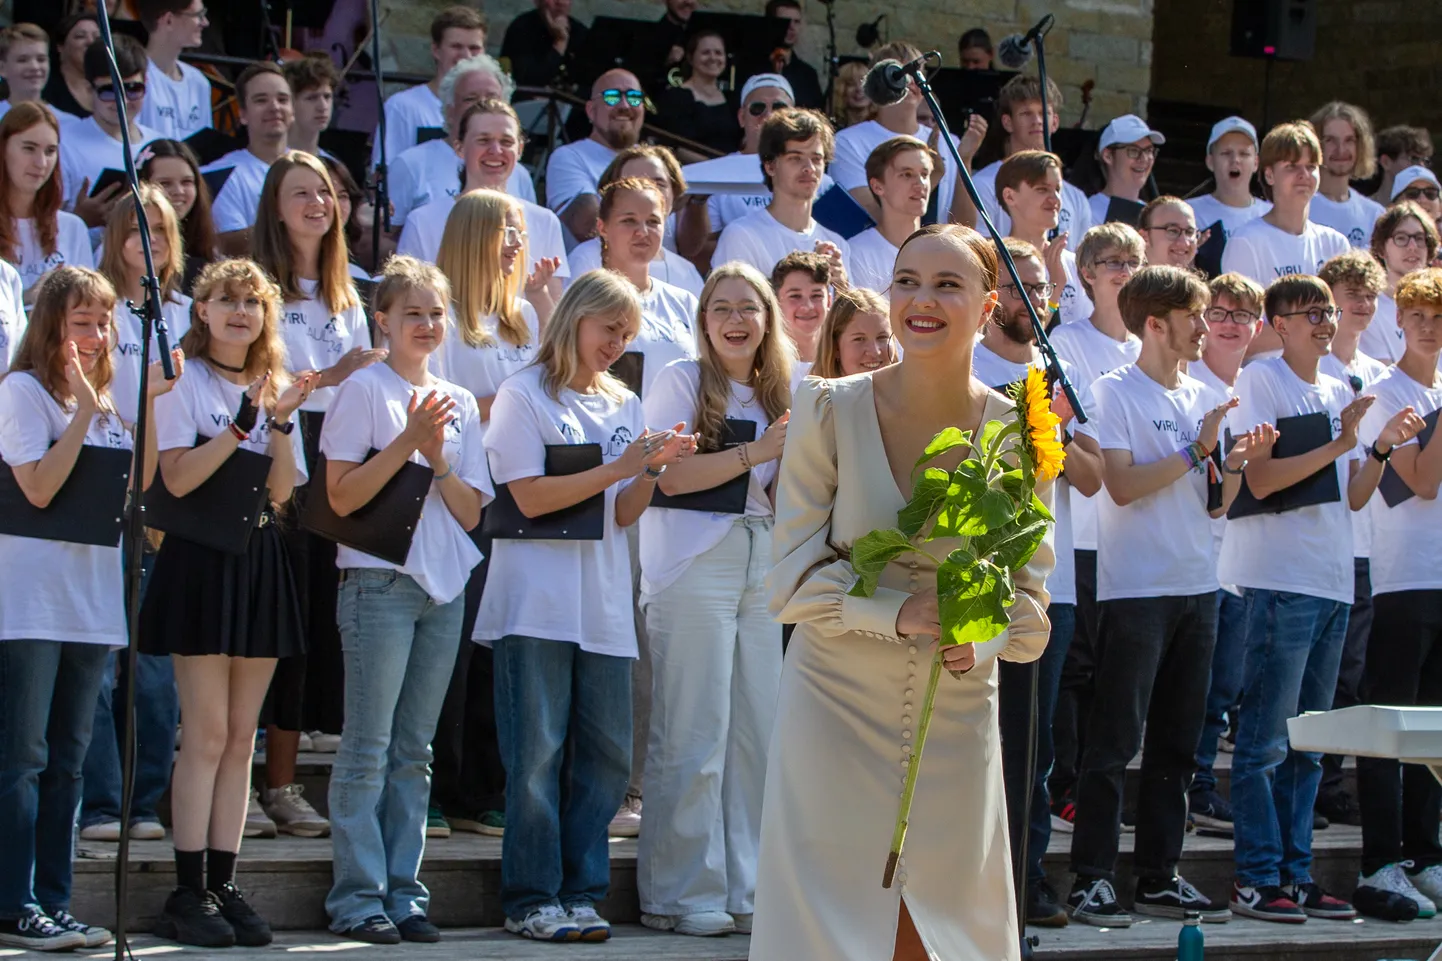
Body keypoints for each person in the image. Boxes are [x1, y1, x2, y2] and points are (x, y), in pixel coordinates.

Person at [754, 223, 1051, 959]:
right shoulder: (826, 408)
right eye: (907, 280)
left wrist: (978, 634)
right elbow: (787, 579)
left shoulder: (1021, 432)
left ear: (987, 308)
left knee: (946, 927)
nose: (922, 300)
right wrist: (896, 611)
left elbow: (1030, 606)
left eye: (948, 284)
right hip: (831, 703)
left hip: (954, 714)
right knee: (827, 926)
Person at [476, 270, 693, 942]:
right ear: (575, 318)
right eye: (610, 328)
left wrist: (652, 469)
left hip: (602, 604)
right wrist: (620, 466)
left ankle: (581, 892)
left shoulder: (624, 399)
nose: (617, 343)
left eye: (627, 333)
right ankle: (531, 897)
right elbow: (530, 496)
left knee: (603, 757)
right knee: (536, 756)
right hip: (533, 604)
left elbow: (623, 512)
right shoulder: (522, 393)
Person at [1221, 274, 1420, 923]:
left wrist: (1382, 446)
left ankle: (1296, 874)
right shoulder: (1262, 380)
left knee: (1310, 743)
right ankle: (1255, 878)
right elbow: (1260, 475)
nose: (1327, 320)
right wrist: (1340, 442)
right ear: (1279, 323)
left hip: (1334, 580)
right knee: (1265, 743)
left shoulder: (1341, 387)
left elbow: (1357, 495)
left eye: (1330, 310)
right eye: (1312, 312)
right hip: (1278, 580)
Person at [1065, 265, 1256, 926]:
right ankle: (1091, 877)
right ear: (1154, 322)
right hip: (1136, 590)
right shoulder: (1112, 390)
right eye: (1195, 316)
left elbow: (1214, 504)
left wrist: (1231, 464)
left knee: (1178, 745)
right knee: (1114, 741)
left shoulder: (1204, 392)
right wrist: (1195, 447)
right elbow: (1117, 485)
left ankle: (1158, 875)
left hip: (1198, 587)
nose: (1206, 328)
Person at [140, 258, 312, 948]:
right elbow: (175, 478)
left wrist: (279, 421)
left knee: (243, 736)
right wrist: (241, 425)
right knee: (207, 732)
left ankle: (223, 879)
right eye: (226, 299)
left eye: (252, 300)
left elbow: (280, 492)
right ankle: (188, 889)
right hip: (202, 557)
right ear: (202, 310)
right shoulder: (183, 378)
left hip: (259, 554)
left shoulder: (268, 382)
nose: (241, 310)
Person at [320, 256, 491, 944]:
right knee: (367, 744)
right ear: (382, 320)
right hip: (378, 582)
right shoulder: (364, 388)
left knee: (414, 749)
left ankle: (404, 891)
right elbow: (341, 495)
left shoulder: (460, 398)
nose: (425, 323)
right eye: (412, 312)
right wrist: (408, 442)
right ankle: (357, 897)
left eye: (435, 312)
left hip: (442, 587)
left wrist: (440, 454)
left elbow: (472, 512)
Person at [0, 266, 170, 952]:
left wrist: (147, 406)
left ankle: (55, 899)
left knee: (70, 758)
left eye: (104, 323)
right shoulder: (21, 393)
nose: (97, 336)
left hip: (91, 601)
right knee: (23, 756)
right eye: (82, 322)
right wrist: (78, 412)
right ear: (49, 325)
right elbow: (38, 487)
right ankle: (14, 901)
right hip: (30, 604)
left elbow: (142, 489)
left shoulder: (101, 401)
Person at [636, 262, 791, 938]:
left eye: (748, 307)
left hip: (763, 557)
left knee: (757, 731)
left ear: (767, 319)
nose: (735, 319)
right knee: (695, 728)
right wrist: (756, 452)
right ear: (703, 321)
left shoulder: (786, 389)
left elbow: (788, 492)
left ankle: (747, 884)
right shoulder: (681, 379)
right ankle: (679, 891)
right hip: (694, 560)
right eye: (721, 307)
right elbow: (664, 478)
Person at [972, 237, 1102, 927]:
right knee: (979, 739)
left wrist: (1051, 425)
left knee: (1037, 748)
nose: (1037, 298)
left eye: (1043, 287)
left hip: (1052, 583)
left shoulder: (1061, 367)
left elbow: (1091, 476)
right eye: (1023, 285)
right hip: (977, 577)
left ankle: (1027, 879)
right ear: (995, 296)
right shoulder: (965, 366)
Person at [247, 151, 376, 840]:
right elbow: (254, 382)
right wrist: (331, 376)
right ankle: (247, 780)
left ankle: (284, 782)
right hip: (272, 483)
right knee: (265, 630)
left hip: (337, 484)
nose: (317, 204)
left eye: (326, 192)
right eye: (302, 193)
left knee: (311, 637)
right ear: (275, 206)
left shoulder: (350, 295)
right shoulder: (258, 289)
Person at [427, 190, 538, 839]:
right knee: (454, 646)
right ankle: (438, 785)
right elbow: (431, 398)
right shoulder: (441, 318)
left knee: (496, 646)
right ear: (474, 237)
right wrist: (500, 400)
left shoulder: (524, 316)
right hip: (459, 501)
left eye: (520, 232)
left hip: (520, 502)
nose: (516, 245)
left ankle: (484, 785)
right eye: (505, 232)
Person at [1047, 222, 1145, 827]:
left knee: (1116, 671)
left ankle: (1101, 792)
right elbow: (1084, 439)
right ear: (1085, 272)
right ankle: (1067, 788)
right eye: (1111, 261)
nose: (1123, 272)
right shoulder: (1069, 343)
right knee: (1077, 668)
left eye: (1132, 262)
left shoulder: (1146, 348)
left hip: (1131, 538)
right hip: (1082, 531)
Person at [1352, 267, 1442, 920]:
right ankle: (1380, 859)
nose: (1431, 328)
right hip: (1400, 578)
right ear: (1399, 320)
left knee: (1435, 729)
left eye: (1441, 317)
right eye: (1420, 316)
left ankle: (1426, 853)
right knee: (1391, 726)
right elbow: (1421, 479)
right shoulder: (1385, 392)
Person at [1312, 249, 1391, 830]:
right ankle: (1313, 780)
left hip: (1368, 545)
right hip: (1317, 543)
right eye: (1349, 294)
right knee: (1317, 671)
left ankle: (1332, 779)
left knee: (1351, 672)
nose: (1360, 304)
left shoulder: (1383, 374)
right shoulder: (1305, 372)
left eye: (1368, 294)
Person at [1186, 272, 1265, 835]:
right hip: (1194, 557)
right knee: (1198, 688)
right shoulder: (1187, 385)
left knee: (1224, 690)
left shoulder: (1261, 388)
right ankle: (1191, 788)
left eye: (1243, 315)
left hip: (1246, 560)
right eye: (1221, 312)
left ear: (1259, 327)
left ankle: (1203, 787)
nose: (1231, 324)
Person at [396, 99, 567, 322]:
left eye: (506, 141)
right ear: (459, 147)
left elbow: (554, 318)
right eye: (483, 140)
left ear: (520, 149)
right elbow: (404, 306)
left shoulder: (545, 221)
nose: (495, 150)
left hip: (521, 353)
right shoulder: (422, 220)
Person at [1221, 121, 1350, 357]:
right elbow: (1239, 335)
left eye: (1311, 166)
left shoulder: (1336, 243)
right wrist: (1313, 326)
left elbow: (1346, 324)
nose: (1304, 175)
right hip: (1270, 377)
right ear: (1269, 174)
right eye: (1292, 166)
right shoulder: (1247, 241)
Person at [829, 41, 981, 227]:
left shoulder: (948, 141)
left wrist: (964, 160)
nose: (909, 81)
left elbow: (965, 227)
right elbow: (873, 217)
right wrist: (931, 177)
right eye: (897, 74)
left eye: (916, 74)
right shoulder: (848, 142)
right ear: (875, 81)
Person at [386, 54, 534, 231]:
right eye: (470, 99)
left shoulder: (519, 173)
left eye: (492, 98)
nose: (483, 105)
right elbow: (383, 238)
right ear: (450, 111)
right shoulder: (410, 164)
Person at [591, 177, 700, 400]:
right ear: (602, 227)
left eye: (653, 221)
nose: (642, 231)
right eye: (629, 221)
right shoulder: (586, 300)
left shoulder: (684, 302)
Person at [713, 108, 849, 281]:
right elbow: (735, 304)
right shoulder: (741, 236)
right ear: (770, 166)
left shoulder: (837, 244)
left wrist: (842, 289)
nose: (809, 168)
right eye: (795, 158)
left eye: (816, 159)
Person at [99, 183, 192, 430]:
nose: (151, 238)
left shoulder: (191, 311)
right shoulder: (98, 309)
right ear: (116, 238)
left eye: (161, 229)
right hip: (113, 445)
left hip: (175, 452)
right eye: (135, 229)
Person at [566, 145, 705, 297]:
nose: (647, 191)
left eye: (659, 184)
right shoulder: (587, 258)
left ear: (675, 194)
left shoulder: (687, 272)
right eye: (633, 182)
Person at [974, 75, 1091, 249]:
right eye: (1026, 113)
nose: (1037, 121)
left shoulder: (1077, 199)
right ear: (1008, 122)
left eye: (1044, 113)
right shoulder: (983, 185)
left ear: (1055, 122)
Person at [58, 36, 163, 224]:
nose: (122, 100)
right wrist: (80, 219)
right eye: (109, 91)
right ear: (88, 89)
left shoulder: (159, 144)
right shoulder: (62, 143)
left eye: (133, 89)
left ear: (146, 83)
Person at [372, 6, 487, 167]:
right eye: (456, 46)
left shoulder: (491, 109)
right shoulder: (402, 107)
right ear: (436, 50)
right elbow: (386, 175)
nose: (466, 56)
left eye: (474, 48)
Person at [0, 103, 94, 301]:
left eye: (50, 151)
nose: (41, 163)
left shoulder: (72, 228)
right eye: (29, 148)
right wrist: (28, 297)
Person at [545, 69, 645, 246]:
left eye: (634, 97)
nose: (625, 105)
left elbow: (688, 244)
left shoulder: (656, 163)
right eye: (612, 97)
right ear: (591, 110)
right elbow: (586, 226)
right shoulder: (568, 157)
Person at [203, 62, 294, 253]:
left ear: (292, 111)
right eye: (261, 100)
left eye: (282, 99)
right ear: (242, 114)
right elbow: (229, 245)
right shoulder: (221, 173)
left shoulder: (313, 168)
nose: (274, 107)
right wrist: (295, 225)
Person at [996, 150, 1093, 324]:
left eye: (1057, 189)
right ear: (1010, 196)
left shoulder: (1074, 265)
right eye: (1042, 189)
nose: (1055, 199)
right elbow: (1026, 337)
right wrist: (1056, 285)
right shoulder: (996, 262)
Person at [703, 74, 796, 238]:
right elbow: (700, 247)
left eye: (779, 107)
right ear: (741, 117)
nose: (768, 116)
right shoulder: (716, 173)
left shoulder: (814, 174)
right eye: (757, 108)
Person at [847, 137, 931, 293]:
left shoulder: (942, 249)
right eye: (906, 174)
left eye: (924, 174)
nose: (920, 184)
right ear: (878, 186)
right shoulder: (856, 253)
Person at [1361, 202, 1439, 364]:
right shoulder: (1370, 308)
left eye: (1419, 239)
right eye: (1401, 238)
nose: (1412, 247)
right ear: (1382, 250)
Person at [1303, 102, 1383, 249]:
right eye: (1330, 140)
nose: (1341, 149)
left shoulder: (1375, 214)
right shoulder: (1299, 208)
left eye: (1349, 140)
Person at [139, 138, 216, 288]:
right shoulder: (129, 247)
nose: (179, 191)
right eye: (165, 183)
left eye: (187, 182)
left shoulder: (208, 250)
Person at [653, 30, 739, 161]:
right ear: (690, 58)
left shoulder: (732, 98)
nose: (713, 58)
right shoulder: (675, 97)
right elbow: (676, 147)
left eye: (718, 53)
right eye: (706, 53)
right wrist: (716, 167)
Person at [135, 0, 211, 140]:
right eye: (198, 15)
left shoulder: (199, 82)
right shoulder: (134, 77)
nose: (205, 22)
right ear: (169, 20)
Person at [1188, 117, 1271, 244]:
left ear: (1255, 163)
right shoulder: (1189, 214)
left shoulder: (1271, 214)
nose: (1235, 160)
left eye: (1244, 154)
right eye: (1226, 153)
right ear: (1210, 161)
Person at [1087, 115, 1163, 227]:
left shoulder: (1153, 215)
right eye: (1134, 151)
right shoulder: (1087, 211)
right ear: (1108, 156)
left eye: (1149, 151)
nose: (1144, 159)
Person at [499, 0, 589, 93]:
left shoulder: (580, 32)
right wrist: (560, 42)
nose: (561, 2)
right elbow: (527, 82)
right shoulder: (522, 29)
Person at [770, 250, 832, 382]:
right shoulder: (764, 367)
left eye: (816, 296)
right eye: (795, 296)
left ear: (829, 301)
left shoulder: (843, 359)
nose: (807, 306)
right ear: (776, 302)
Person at [812, 285, 894, 377]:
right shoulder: (814, 391)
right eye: (859, 339)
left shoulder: (910, 390)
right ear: (836, 347)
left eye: (882, 337)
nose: (875, 351)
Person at [762, 0, 822, 109]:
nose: (791, 27)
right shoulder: (753, 68)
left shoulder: (808, 75)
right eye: (785, 21)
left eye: (796, 22)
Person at [40, 14, 99, 121]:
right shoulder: (43, 86)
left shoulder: (115, 84)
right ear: (60, 47)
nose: (90, 42)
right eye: (80, 36)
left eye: (97, 37)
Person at [282, 54, 340, 161]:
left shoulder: (333, 166)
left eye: (327, 97)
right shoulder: (272, 162)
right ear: (289, 102)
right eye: (312, 98)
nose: (323, 106)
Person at [0, 25, 53, 121]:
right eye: (22, 60)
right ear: (2, 69)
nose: (35, 67)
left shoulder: (70, 124)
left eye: (41, 59)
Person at [1372, 125, 1433, 206]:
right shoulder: (1363, 211)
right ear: (1386, 162)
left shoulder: (1434, 210)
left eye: (1425, 161)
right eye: (1414, 158)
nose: (1422, 166)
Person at [1138, 196, 1202, 270]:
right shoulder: (1125, 280)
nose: (1184, 243)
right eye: (1173, 231)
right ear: (1144, 237)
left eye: (1189, 232)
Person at [829, 60, 874, 131]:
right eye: (851, 84)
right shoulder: (832, 131)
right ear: (841, 90)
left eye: (864, 82)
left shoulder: (883, 127)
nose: (859, 88)